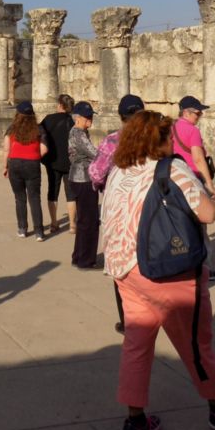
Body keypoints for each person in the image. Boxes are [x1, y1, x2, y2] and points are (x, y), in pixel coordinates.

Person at [101, 111, 215, 430]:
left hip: (124, 270)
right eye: (167, 137)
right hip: (166, 272)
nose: (171, 143)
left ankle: (135, 420)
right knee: (194, 344)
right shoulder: (171, 169)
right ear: (159, 140)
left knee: (136, 345)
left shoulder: (118, 170)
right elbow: (208, 213)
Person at [88, 93, 146, 333]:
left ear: (121, 116)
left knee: (122, 266)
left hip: (121, 211)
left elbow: (96, 173)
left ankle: (128, 321)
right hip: (150, 208)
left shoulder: (112, 141)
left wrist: (106, 185)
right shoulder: (157, 140)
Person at [173, 95, 215, 281]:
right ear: (186, 112)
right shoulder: (192, 131)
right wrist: (210, 184)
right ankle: (206, 267)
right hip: (192, 179)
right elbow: (199, 159)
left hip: (175, 178)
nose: (199, 116)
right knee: (200, 225)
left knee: (180, 223)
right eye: (197, 113)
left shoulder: (170, 128)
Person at [3, 100, 49, 241]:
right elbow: (44, 149)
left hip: (15, 163)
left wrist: (5, 166)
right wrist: (34, 157)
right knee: (34, 198)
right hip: (32, 164)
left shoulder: (11, 129)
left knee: (20, 198)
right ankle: (39, 232)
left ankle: (22, 229)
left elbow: (6, 149)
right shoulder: (39, 129)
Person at [68, 101, 100, 268]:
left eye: (91, 117)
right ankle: (85, 259)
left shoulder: (80, 132)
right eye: (87, 117)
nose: (90, 120)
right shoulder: (78, 134)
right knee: (89, 221)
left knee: (84, 220)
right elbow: (94, 153)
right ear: (78, 118)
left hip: (80, 178)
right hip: (83, 179)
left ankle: (79, 256)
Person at [39, 94, 75, 234]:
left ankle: (54, 223)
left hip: (53, 161)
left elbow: (39, 133)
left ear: (60, 105)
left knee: (53, 191)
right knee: (70, 193)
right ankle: (72, 225)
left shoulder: (49, 119)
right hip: (69, 161)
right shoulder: (72, 121)